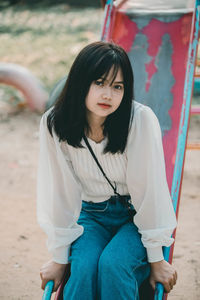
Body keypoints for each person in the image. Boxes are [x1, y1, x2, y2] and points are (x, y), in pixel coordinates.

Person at [38, 41, 177, 299]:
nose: (108, 95)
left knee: (114, 265)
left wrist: (157, 259)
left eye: (117, 87)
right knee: (83, 268)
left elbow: (149, 193)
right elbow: (59, 193)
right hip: (91, 214)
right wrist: (59, 257)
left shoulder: (140, 121)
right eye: (99, 83)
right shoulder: (54, 124)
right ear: (81, 82)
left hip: (134, 217)